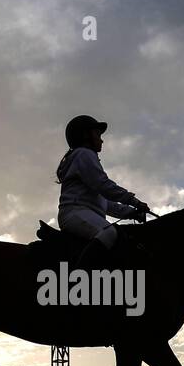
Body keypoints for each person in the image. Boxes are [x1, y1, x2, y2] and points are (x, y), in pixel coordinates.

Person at [55, 115, 150, 270]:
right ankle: (78, 280)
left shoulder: (84, 157)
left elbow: (106, 204)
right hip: (75, 213)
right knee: (110, 234)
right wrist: (135, 202)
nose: (102, 140)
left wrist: (132, 213)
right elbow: (104, 186)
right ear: (86, 135)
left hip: (84, 214)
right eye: (98, 135)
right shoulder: (83, 154)